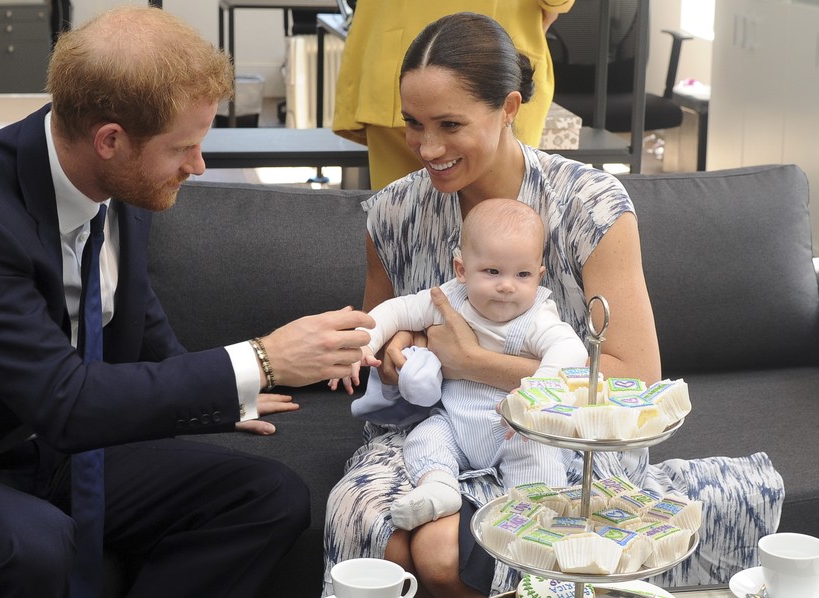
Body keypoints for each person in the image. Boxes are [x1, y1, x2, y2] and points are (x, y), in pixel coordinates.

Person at [322, 12, 784, 598]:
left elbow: (635, 378)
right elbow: (381, 335)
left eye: (450, 124)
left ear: (509, 108)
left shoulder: (589, 204)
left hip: (564, 438)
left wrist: (472, 362)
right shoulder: (393, 212)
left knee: (440, 552)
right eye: (413, 123)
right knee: (374, 526)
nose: (427, 147)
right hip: (434, 428)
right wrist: (394, 353)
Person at [0, 6, 373, 598]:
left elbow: (131, 308)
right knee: (35, 545)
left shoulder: (117, 181)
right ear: (111, 140)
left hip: (57, 447)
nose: (197, 166)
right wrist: (261, 359)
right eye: (183, 148)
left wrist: (222, 394)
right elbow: (64, 400)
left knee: (269, 497)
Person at [331, 199, 588, 531]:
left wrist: (537, 393)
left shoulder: (537, 316)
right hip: (455, 423)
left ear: (539, 276)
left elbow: (571, 349)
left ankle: (532, 515)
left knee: (540, 456)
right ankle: (439, 488)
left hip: (515, 429)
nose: (507, 285)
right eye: (492, 271)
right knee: (425, 439)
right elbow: (397, 310)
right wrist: (363, 344)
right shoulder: (449, 299)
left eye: (522, 274)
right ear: (462, 270)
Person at [331, 0, 575, 190]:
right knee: (504, 221)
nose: (430, 150)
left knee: (402, 222)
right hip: (495, 67)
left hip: (392, 58)